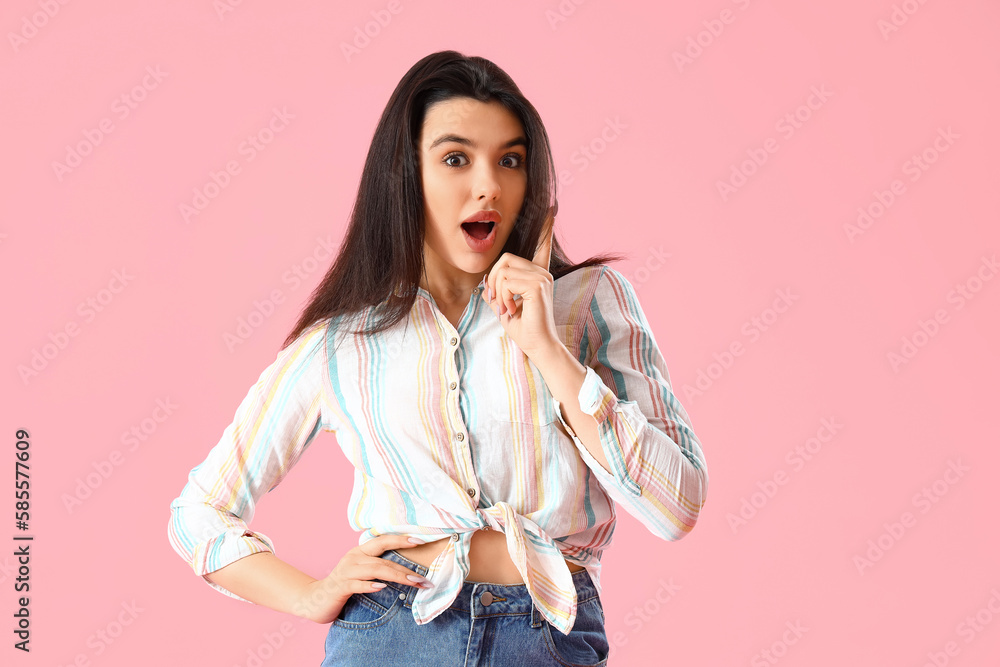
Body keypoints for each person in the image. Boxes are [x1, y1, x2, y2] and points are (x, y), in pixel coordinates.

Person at [167, 50, 708, 667]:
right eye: (456, 159)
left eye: (510, 160)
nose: (489, 186)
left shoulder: (586, 304)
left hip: (547, 635)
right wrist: (308, 596)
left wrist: (548, 352)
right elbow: (198, 514)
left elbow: (677, 507)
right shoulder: (342, 343)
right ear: (406, 175)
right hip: (390, 634)